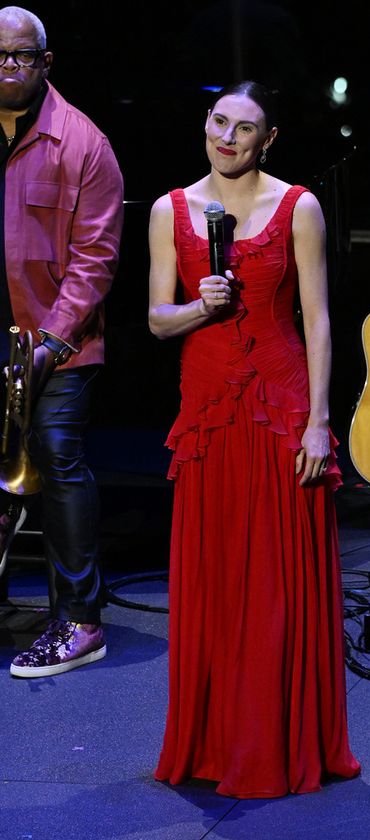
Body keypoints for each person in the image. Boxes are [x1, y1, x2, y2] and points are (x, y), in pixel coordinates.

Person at [149, 80, 360, 798]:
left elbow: (317, 319)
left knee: (275, 582)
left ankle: (276, 740)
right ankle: (215, 744)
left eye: (244, 129)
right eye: (218, 122)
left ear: (267, 140)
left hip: (280, 403)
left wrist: (320, 421)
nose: (227, 138)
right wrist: (196, 307)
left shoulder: (299, 206)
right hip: (209, 409)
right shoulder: (169, 209)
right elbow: (157, 319)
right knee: (213, 577)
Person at [0, 6, 124, 677]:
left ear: (45, 62)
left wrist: (49, 342)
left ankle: (80, 621)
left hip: (58, 338)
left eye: (20, 55)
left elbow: (95, 260)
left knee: (55, 452)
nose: (7, 67)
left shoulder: (83, 143)